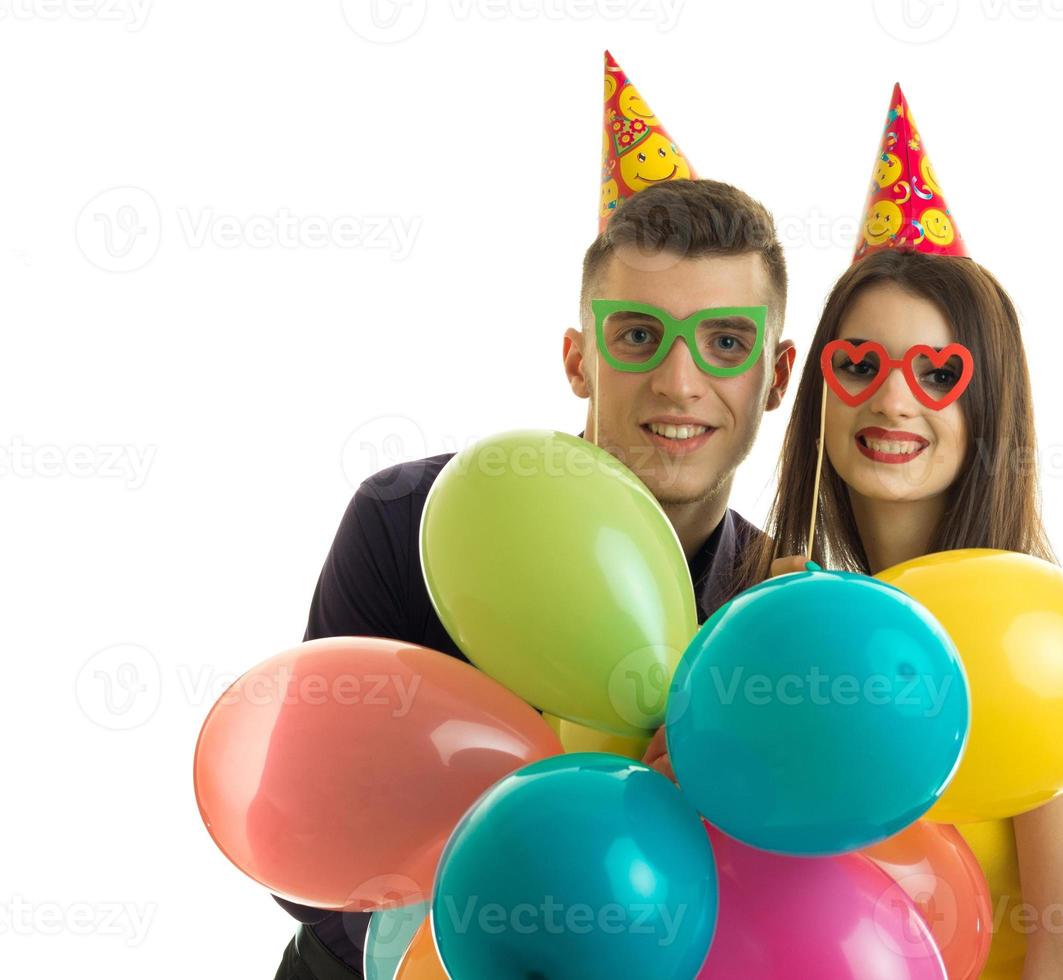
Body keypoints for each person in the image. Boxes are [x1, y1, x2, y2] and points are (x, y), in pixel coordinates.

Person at [271, 53, 796, 980]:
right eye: (639, 335)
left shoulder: (779, 612)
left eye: (724, 343)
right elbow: (299, 841)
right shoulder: (407, 522)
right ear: (578, 359)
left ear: (778, 377)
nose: (680, 382)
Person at [650, 84, 1063, 978]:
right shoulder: (793, 612)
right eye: (859, 364)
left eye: (936, 372)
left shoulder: (1028, 639)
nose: (891, 398)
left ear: (986, 399)